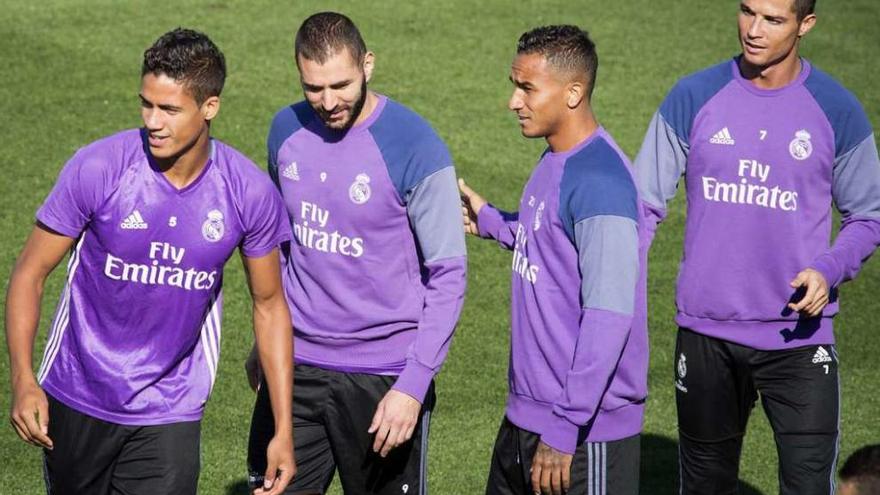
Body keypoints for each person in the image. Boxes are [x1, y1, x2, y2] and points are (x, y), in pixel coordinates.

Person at [5, 28, 295, 495]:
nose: (153, 122)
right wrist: (22, 379)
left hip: (171, 407)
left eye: (169, 109)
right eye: (147, 104)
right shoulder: (100, 167)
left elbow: (270, 304)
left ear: (210, 107)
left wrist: (282, 429)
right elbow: (30, 273)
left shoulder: (248, 193)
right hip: (78, 394)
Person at [633, 0, 880, 493]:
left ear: (805, 24)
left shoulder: (837, 109)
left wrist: (828, 270)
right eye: (747, 11)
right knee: (704, 486)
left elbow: (868, 217)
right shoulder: (693, 96)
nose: (754, 29)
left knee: (809, 487)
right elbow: (640, 208)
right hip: (706, 335)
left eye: (773, 19)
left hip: (798, 339)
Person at [245, 11, 467, 495]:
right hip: (294, 366)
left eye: (340, 85)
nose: (327, 102)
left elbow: (448, 275)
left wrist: (413, 385)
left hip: (382, 379)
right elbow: (280, 246)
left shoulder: (416, 146)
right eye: (313, 88)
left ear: (368, 64)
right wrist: (264, 340)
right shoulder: (285, 130)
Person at [459, 25, 647, 495]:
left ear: (573, 93)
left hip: (582, 436)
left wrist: (564, 428)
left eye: (527, 88)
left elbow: (608, 317)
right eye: (514, 85)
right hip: (526, 417)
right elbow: (549, 242)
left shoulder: (601, 182)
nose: (513, 102)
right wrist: (492, 222)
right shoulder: (556, 160)